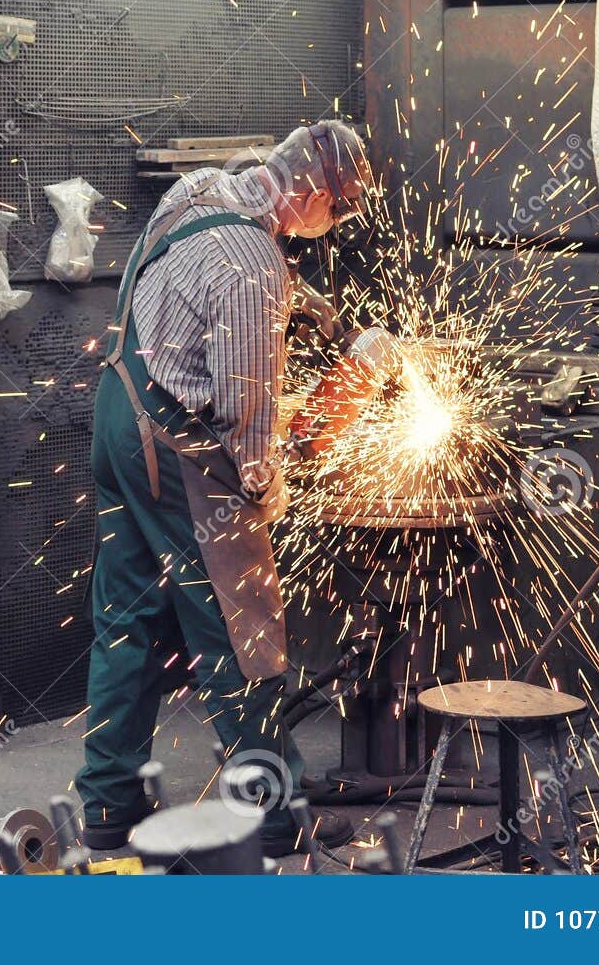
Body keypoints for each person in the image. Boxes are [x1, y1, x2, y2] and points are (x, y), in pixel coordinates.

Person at [75, 121, 385, 856]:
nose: (330, 227)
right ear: (310, 190)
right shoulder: (255, 268)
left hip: (117, 423)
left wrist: (307, 308)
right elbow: (247, 415)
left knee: (126, 622)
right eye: (335, 211)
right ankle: (272, 816)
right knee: (244, 635)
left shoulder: (200, 189)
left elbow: (201, 277)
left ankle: (108, 805)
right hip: (179, 452)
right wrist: (266, 491)